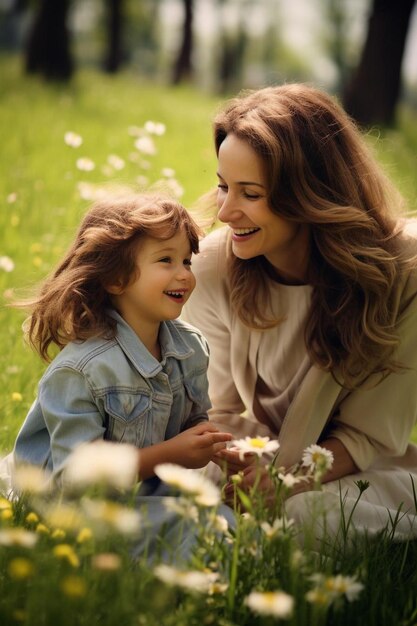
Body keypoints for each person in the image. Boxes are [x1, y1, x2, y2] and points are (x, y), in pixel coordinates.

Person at [182, 83, 417, 541]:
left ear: (311, 192)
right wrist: (243, 470)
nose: (226, 212)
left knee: (304, 517)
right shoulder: (212, 265)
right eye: (223, 187)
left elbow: (366, 437)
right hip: (260, 451)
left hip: (356, 470)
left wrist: (284, 483)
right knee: (175, 487)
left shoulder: (403, 274)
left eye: (250, 193)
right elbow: (221, 410)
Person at [11, 193, 232, 490]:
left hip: (148, 499)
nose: (184, 275)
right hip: (75, 511)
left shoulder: (190, 348)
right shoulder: (82, 371)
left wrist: (211, 444)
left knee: (222, 522)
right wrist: (170, 454)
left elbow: (191, 421)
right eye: (166, 260)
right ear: (116, 279)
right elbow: (75, 479)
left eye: (187, 261)